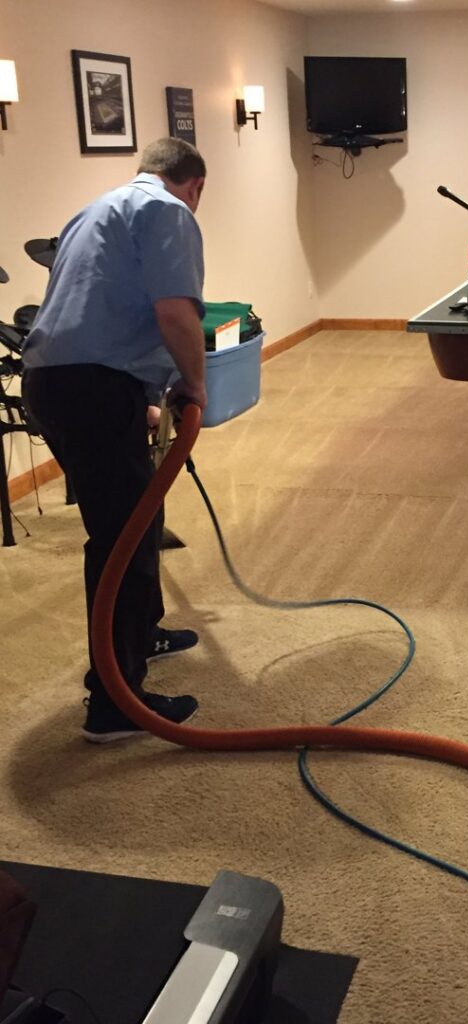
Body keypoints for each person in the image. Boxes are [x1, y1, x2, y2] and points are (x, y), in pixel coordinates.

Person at [22, 137, 208, 743]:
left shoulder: (95, 210)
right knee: (121, 533)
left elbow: (96, 307)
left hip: (58, 381)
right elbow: (175, 313)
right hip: (93, 388)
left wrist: (143, 394)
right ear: (194, 185)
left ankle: (139, 634)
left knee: (135, 515)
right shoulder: (170, 211)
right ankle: (115, 701)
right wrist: (193, 387)